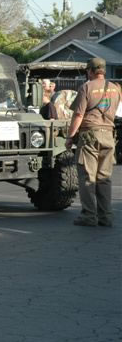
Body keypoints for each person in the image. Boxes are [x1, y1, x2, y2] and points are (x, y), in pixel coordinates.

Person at [65, 58, 121, 227]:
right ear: (103, 70)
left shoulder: (86, 87)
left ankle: (89, 216)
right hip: (109, 135)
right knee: (104, 178)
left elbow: (78, 115)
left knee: (87, 177)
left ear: (90, 71)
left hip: (90, 135)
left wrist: (70, 136)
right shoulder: (116, 88)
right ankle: (106, 216)